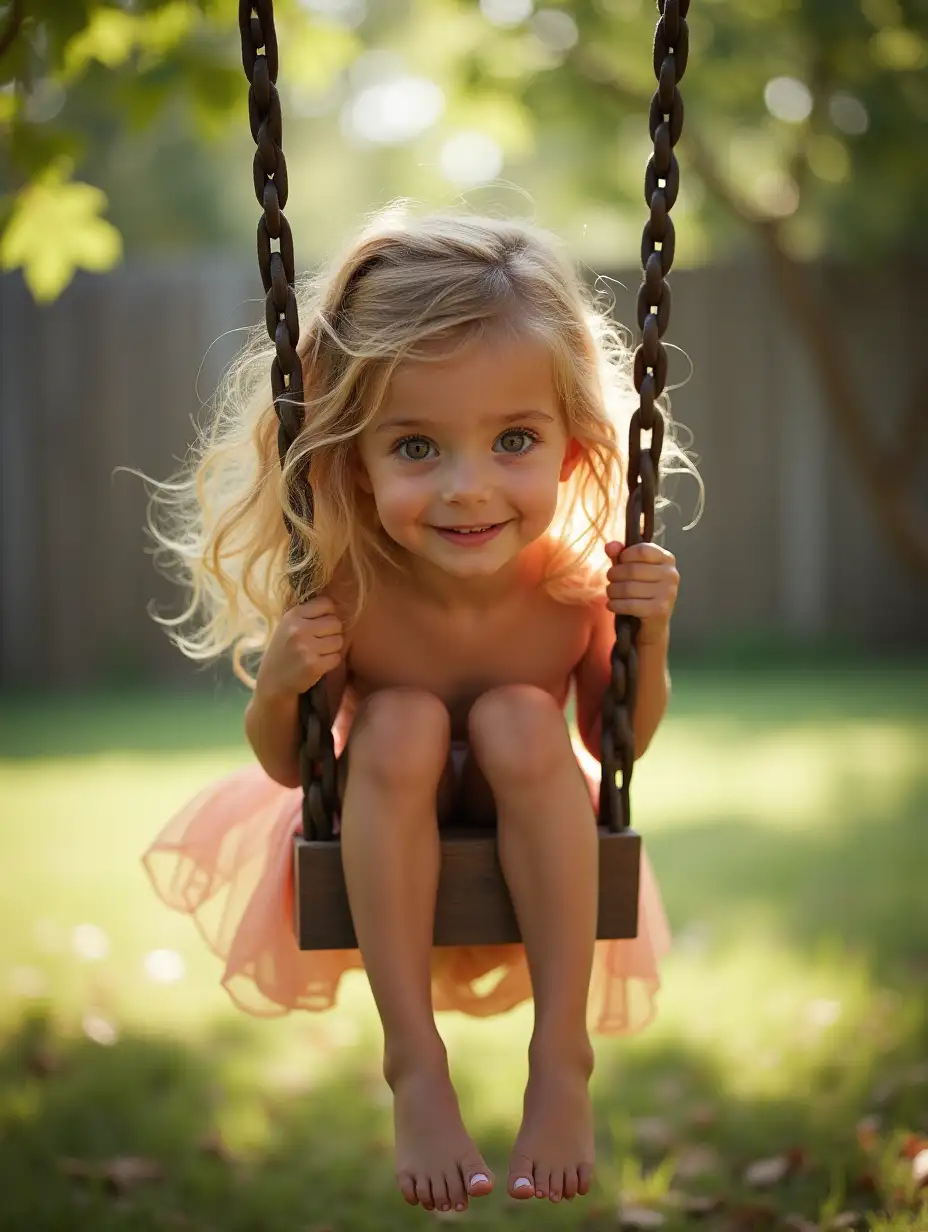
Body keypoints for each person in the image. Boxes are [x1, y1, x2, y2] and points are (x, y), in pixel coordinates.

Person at [141, 205, 697, 1214]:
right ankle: (414, 1063)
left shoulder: (575, 591)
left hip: (532, 823)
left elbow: (617, 738)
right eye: (417, 448)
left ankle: (560, 1057)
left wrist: (643, 638)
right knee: (395, 718)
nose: (467, 487)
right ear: (353, 455)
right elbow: (283, 765)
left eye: (512, 438)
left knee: (521, 716)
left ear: (571, 446)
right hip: (380, 835)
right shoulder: (348, 589)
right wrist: (279, 682)